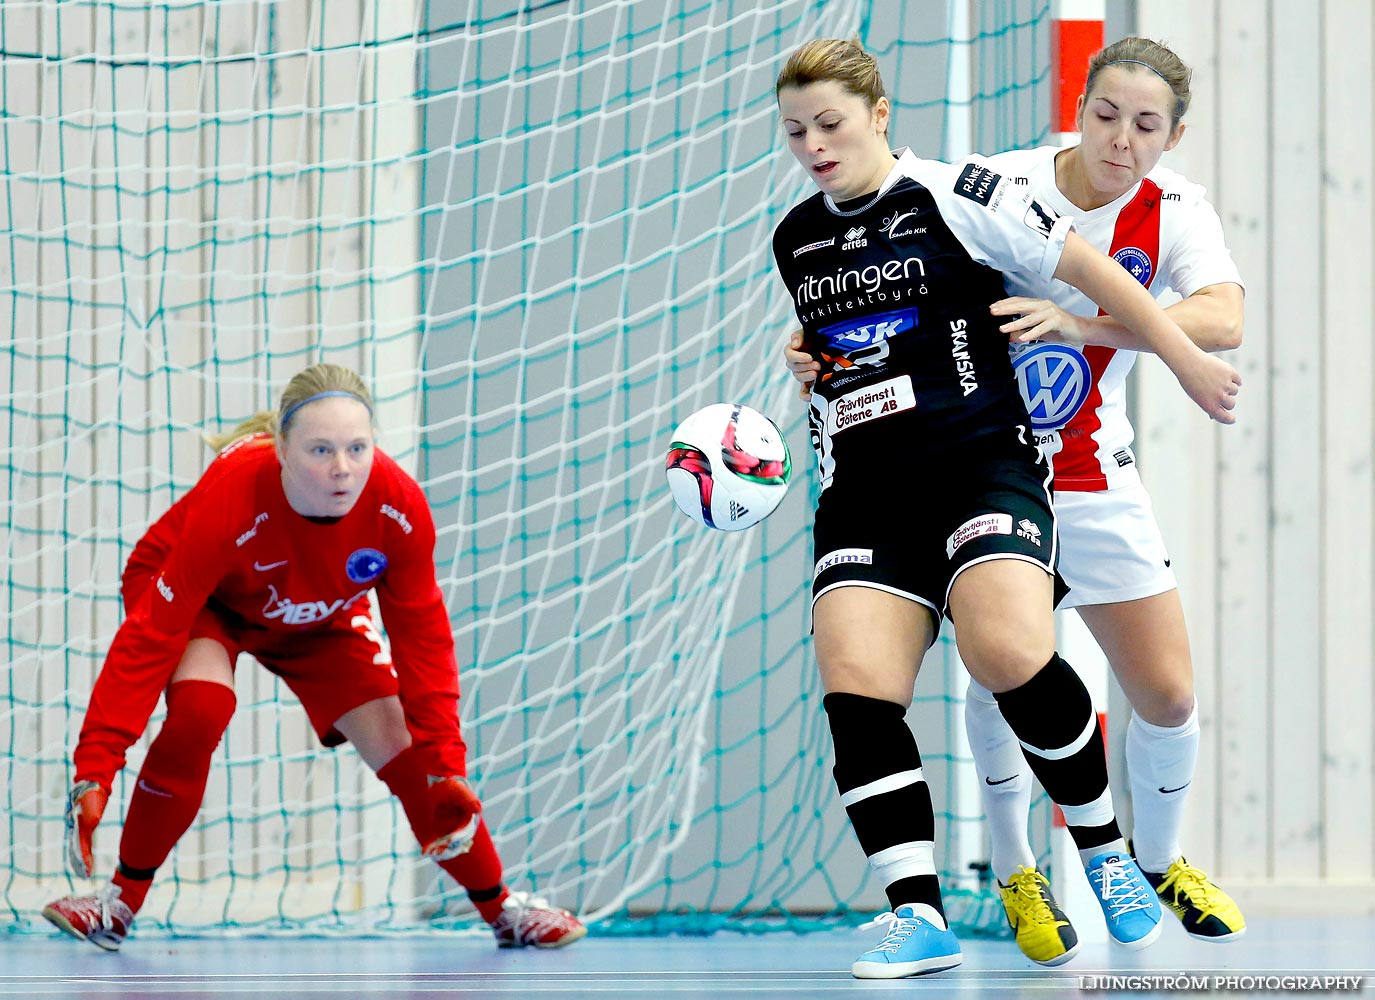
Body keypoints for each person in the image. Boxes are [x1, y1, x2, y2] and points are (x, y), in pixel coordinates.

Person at [770, 38, 1240, 980]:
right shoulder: (797, 236)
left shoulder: (964, 194)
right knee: (856, 684)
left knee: (1020, 655)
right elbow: (854, 339)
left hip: (1001, 461)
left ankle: (1114, 854)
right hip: (868, 487)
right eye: (796, 131)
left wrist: (1181, 360)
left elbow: (1123, 285)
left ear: (877, 115)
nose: (815, 144)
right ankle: (934, 907)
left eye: (830, 123)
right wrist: (810, 361)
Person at [42, 363, 586, 952]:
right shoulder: (232, 493)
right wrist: (96, 765)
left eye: (357, 447)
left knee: (407, 750)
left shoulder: (398, 507)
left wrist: (446, 765)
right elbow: (149, 637)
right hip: (210, 602)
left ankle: (503, 910)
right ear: (280, 448)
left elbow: (424, 643)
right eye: (320, 449)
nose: (341, 468)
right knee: (200, 710)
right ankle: (118, 903)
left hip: (314, 610)